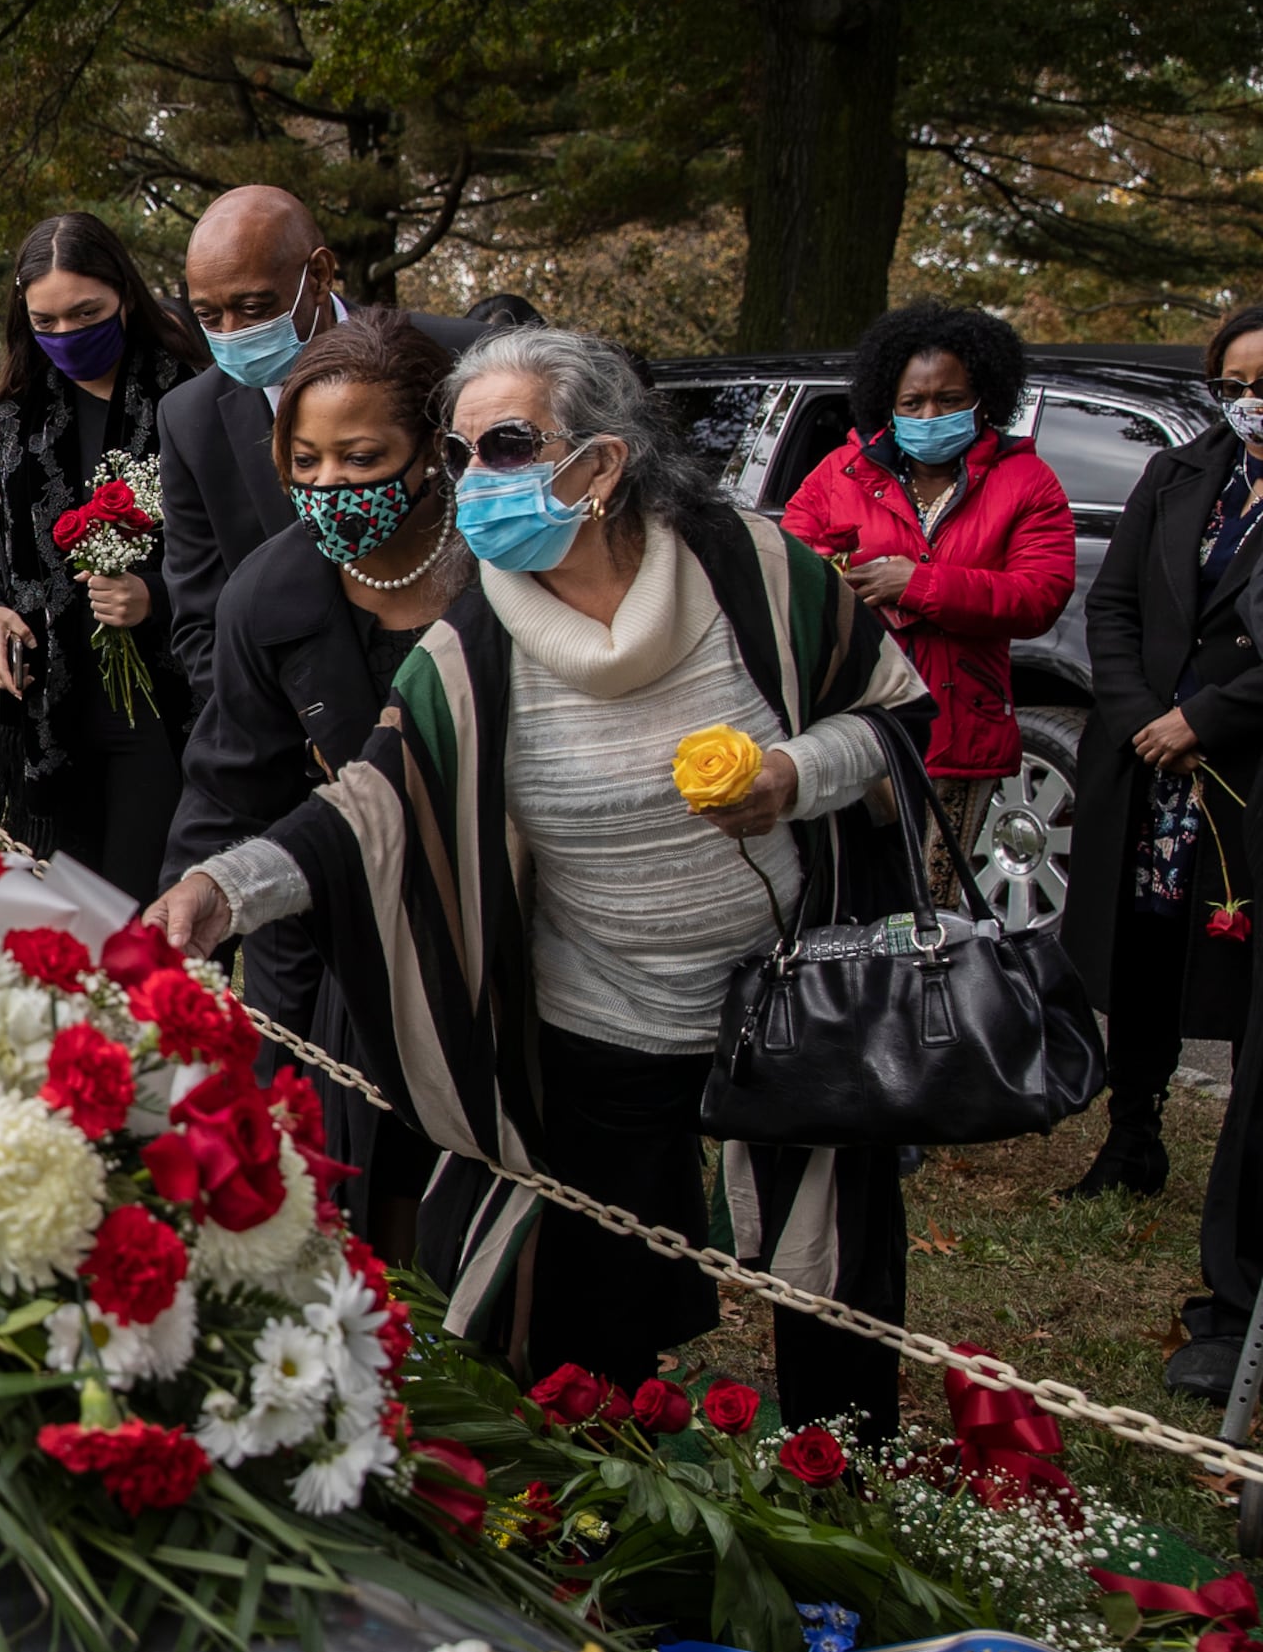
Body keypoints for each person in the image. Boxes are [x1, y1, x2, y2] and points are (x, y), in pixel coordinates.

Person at [144, 325, 931, 1440]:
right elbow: (369, 806)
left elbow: (893, 718)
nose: (476, 481)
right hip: (599, 1015)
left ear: (601, 462)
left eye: (507, 446)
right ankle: (612, 1487)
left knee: (833, 1274)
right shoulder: (473, 639)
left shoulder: (751, 570)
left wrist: (792, 778)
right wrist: (221, 892)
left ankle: (848, 1475)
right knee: (588, 1308)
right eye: (460, 455)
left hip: (796, 997)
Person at [160, 308, 466, 1251]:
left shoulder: (500, 575)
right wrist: (187, 916)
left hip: (500, 932)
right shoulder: (268, 593)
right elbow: (231, 786)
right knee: (345, 1184)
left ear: (432, 451)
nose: (330, 486)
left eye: (362, 459)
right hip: (331, 927)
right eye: (305, 463)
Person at [1071, 308, 1263, 1371]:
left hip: (1240, 770)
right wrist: (1143, 715)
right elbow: (1112, 606)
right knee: (1141, 942)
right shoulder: (1182, 472)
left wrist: (1206, 720)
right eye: (1235, 383)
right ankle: (1131, 1133)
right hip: (1147, 761)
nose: (1251, 400)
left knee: (1229, 959)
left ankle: (1242, 1166)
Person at [778, 303, 1071, 905]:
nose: (930, 416)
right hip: (853, 724)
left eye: (949, 399)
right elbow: (787, 570)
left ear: (983, 399)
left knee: (931, 911)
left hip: (960, 728)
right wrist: (839, 580)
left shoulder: (1027, 482)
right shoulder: (839, 474)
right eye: (913, 403)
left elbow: (1038, 596)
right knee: (846, 901)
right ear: (887, 403)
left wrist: (916, 585)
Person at [0, 212, 204, 896]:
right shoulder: (11, 421)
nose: (67, 334)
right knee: (51, 925)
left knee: (143, 915)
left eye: (86, 313)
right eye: (47, 322)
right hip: (42, 716)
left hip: (161, 714)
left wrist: (156, 595)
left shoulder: (190, 402)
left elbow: (241, 561)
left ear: (125, 295)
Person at [161, 185, 463, 703]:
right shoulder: (190, 419)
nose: (232, 333)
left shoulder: (460, 361)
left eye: (253, 307)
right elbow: (200, 622)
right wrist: (281, 725)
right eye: (208, 317)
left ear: (319, 276)